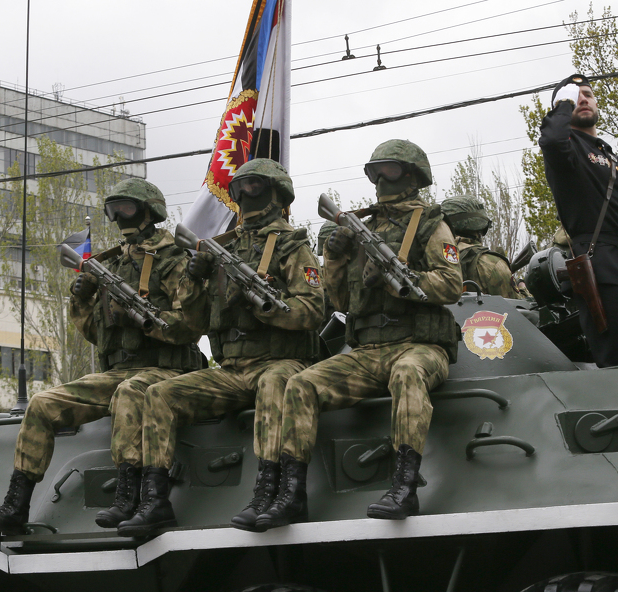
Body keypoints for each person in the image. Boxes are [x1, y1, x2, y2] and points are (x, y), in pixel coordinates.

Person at [252, 139, 463, 530]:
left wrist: (400, 280)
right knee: (301, 384)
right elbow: (341, 299)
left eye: (392, 170)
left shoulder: (431, 224)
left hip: (419, 345)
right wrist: (334, 256)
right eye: (376, 171)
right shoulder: (364, 230)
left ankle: (404, 486)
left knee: (408, 374)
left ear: (414, 176)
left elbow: (452, 284)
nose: (382, 178)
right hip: (366, 349)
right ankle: (291, 494)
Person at [0, 179, 206, 535]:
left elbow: (192, 326)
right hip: (119, 371)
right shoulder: (113, 265)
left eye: (125, 209)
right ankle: (15, 505)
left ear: (149, 211)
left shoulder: (173, 259)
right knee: (42, 402)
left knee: (132, 391)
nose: (118, 218)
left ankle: (128, 497)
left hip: (167, 370)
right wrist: (82, 300)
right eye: (113, 211)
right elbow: (99, 334)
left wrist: (145, 320)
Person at [116, 159, 324, 536]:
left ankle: (271, 492)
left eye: (254, 187)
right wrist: (195, 281)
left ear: (277, 195)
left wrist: (267, 308)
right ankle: (154, 499)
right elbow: (191, 324)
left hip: (281, 361)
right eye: (240, 188)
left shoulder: (293, 246)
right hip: (231, 370)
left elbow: (312, 310)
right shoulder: (219, 251)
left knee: (275, 382)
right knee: (160, 394)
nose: (245, 195)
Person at [539, 74, 618, 367]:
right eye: (574, 96)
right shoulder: (567, 150)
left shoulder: (607, 154)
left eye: (588, 94)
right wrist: (562, 105)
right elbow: (551, 140)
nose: (583, 98)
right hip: (603, 273)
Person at [441, 195, 518, 298]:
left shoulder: (429, 257)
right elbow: (516, 308)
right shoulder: (493, 264)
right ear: (481, 227)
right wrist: (521, 286)